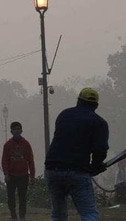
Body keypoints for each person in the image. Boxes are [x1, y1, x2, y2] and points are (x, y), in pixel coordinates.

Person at [45, 87, 109, 221]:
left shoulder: (64, 115)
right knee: (89, 213)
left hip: (53, 168)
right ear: (96, 105)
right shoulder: (99, 122)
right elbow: (100, 149)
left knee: (58, 214)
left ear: (79, 100)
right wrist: (96, 166)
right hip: (77, 171)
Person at [1, 121, 35, 221]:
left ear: (21, 130)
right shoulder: (7, 145)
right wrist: (6, 173)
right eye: (15, 129)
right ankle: (13, 216)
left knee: (22, 198)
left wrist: (32, 176)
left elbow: (30, 160)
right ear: (11, 131)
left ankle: (22, 217)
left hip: (23, 175)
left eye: (18, 129)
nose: (17, 131)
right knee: (11, 198)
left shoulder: (26, 144)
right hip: (11, 175)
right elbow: (4, 160)